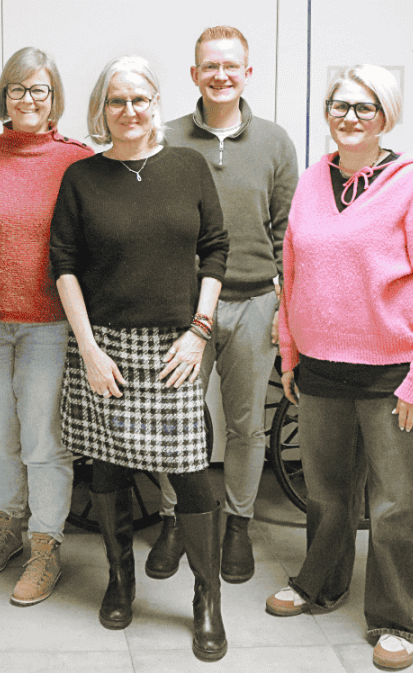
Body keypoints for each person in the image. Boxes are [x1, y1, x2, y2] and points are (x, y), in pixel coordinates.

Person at [266, 65, 413, 671]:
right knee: (326, 493)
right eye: (339, 105)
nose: (349, 117)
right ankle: (320, 584)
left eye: (365, 107)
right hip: (322, 367)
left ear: (386, 117)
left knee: (398, 504)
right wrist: (290, 353)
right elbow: (292, 272)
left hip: (391, 373)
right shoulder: (310, 179)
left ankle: (400, 618)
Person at [50, 55, 230, 661]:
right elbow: (65, 265)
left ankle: (207, 600)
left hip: (176, 345)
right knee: (107, 468)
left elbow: (215, 249)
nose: (130, 111)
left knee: (191, 471)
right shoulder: (80, 177)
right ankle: (120, 581)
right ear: (102, 109)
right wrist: (88, 349)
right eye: (117, 101)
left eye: (140, 99)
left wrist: (200, 331)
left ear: (157, 103)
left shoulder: (189, 166)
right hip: (104, 346)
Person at [150, 25, 298, 585]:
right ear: (194, 74)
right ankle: (173, 519)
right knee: (175, 422)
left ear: (246, 73)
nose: (220, 75)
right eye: (209, 66)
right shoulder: (164, 138)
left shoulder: (276, 142)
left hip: (255, 302)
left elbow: (287, 234)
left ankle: (238, 523)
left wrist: (288, 314)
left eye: (230, 66)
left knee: (244, 426)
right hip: (183, 311)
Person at [0, 47, 92, 605]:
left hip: (47, 324)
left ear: (55, 97)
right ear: (3, 97)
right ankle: (7, 527)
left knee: (42, 437)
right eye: (18, 90)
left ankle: (45, 544)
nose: (28, 99)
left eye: (38, 90)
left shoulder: (77, 160)